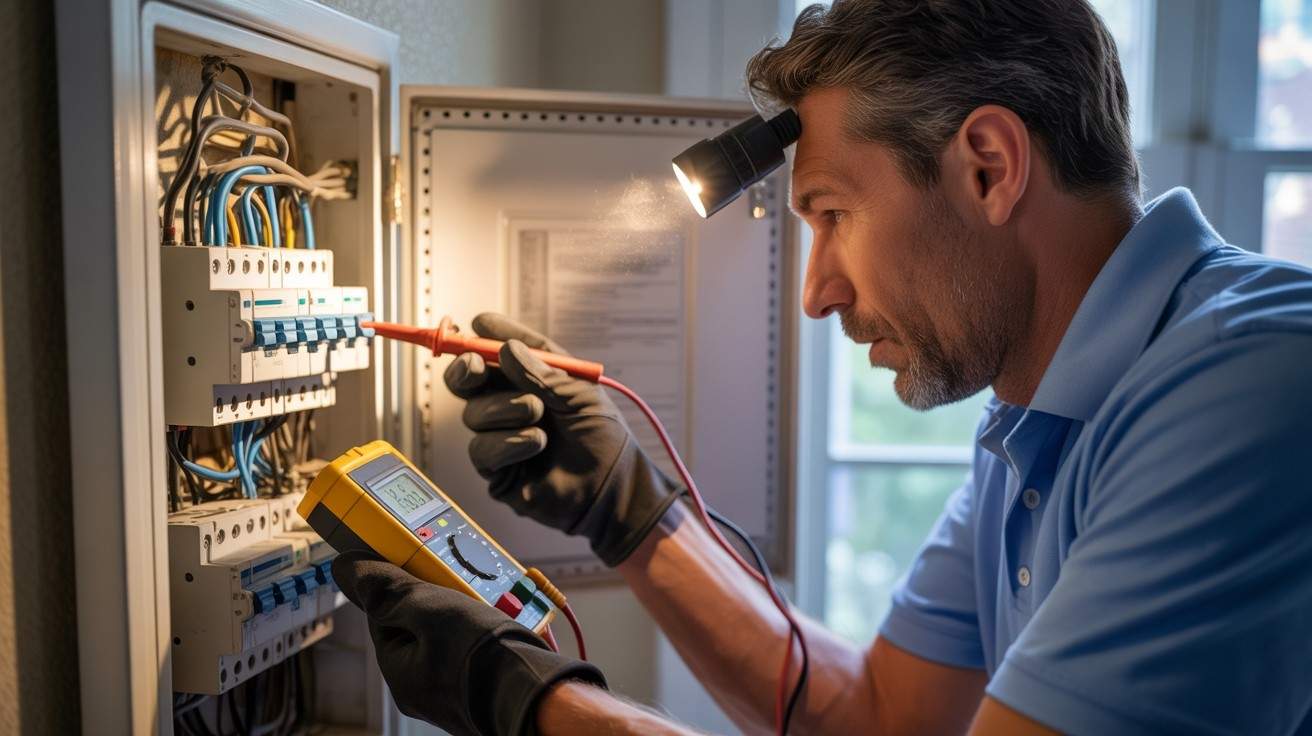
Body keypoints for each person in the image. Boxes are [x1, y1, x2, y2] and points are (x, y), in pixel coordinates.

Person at [331, 1, 1312, 734]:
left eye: (834, 214)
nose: (819, 292)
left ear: (988, 167)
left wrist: (530, 702)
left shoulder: (1247, 388)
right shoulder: (1035, 421)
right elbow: (876, 714)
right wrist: (628, 510)